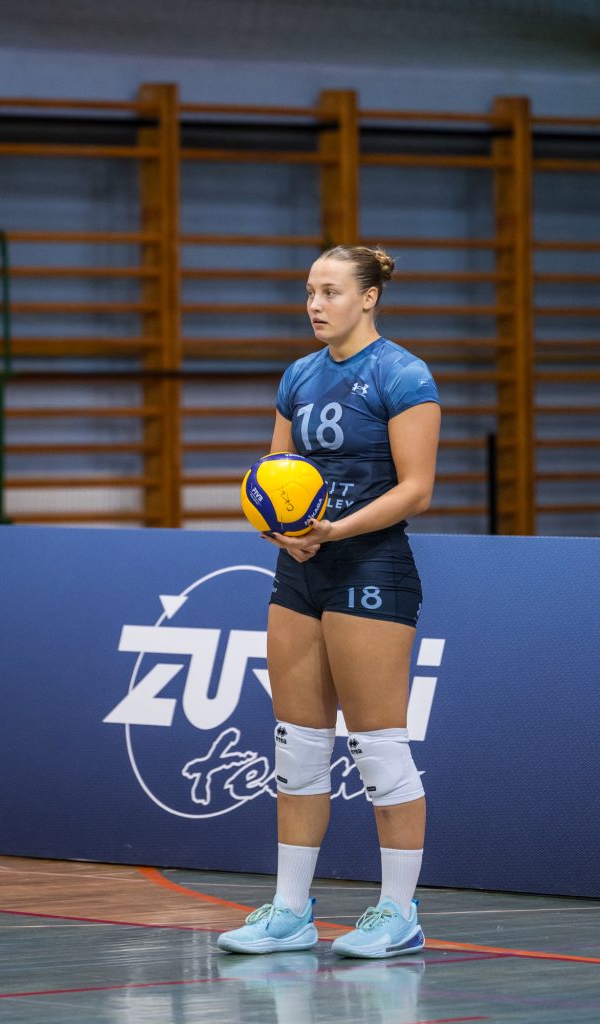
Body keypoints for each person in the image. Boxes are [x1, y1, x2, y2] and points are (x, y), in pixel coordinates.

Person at [218, 245, 441, 958]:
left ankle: (398, 913)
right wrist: (280, 530)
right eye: (310, 292)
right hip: (301, 572)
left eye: (332, 291)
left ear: (369, 297)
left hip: (370, 566)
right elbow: (277, 472)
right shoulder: (298, 376)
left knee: (378, 749)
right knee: (298, 746)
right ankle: (290, 912)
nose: (316, 304)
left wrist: (336, 530)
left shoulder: (403, 374)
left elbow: (417, 489)